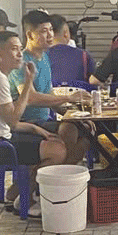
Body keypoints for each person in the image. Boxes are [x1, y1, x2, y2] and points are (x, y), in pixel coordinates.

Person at [0, 30, 66, 217]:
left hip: (0, 138)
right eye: (14, 49)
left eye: (19, 49)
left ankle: (19, 193)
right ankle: (25, 197)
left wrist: (35, 129)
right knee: (57, 151)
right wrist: (28, 84)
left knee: (53, 141)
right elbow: (13, 119)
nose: (19, 54)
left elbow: (9, 123)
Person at [8, 10, 92, 166]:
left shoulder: (45, 57)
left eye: (51, 30)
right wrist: (69, 97)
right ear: (30, 35)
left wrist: (74, 114)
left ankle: (59, 173)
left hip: (44, 120)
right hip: (24, 123)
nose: (50, 35)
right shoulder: (22, 62)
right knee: (68, 130)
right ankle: (50, 173)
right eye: (43, 31)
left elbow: (49, 95)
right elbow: (30, 98)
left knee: (86, 131)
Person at [47, 14, 96, 84]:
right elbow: (94, 82)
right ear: (66, 33)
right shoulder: (84, 56)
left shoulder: (38, 57)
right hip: (79, 91)